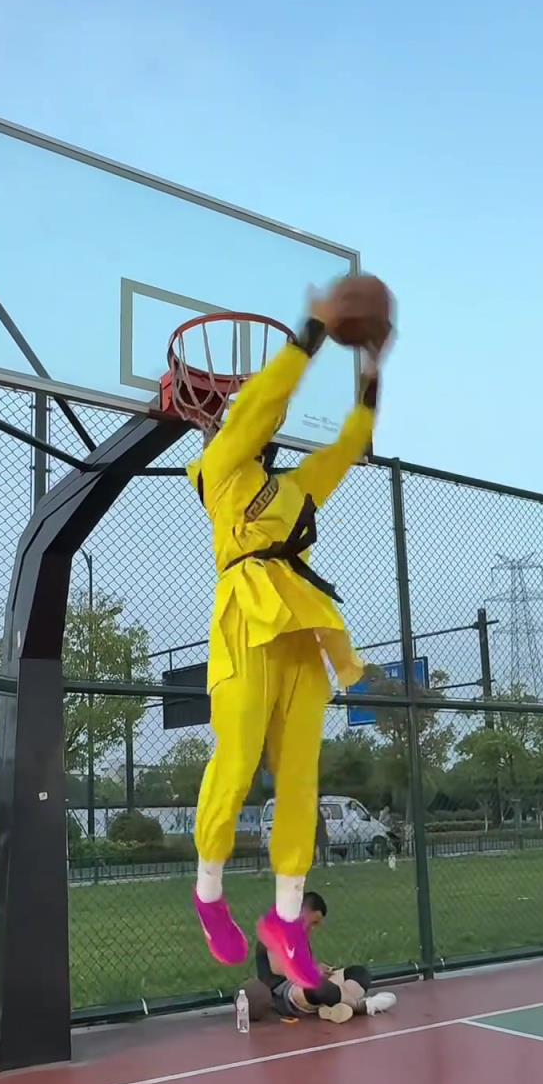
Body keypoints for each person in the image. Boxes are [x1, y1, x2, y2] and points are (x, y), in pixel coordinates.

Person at [188, 279, 394, 989]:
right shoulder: (221, 470)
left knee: (301, 778)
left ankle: (284, 920)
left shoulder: (299, 488)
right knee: (238, 759)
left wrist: (370, 372)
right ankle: (209, 892)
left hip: (303, 632)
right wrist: (311, 332)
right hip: (246, 619)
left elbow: (352, 443)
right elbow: (261, 407)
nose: (249, 421)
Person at [253, 891, 397, 1022]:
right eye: (313, 922)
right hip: (284, 994)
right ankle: (362, 1006)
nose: (313, 928)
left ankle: (335, 1005)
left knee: (359, 972)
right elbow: (278, 968)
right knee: (318, 985)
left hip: (305, 986)